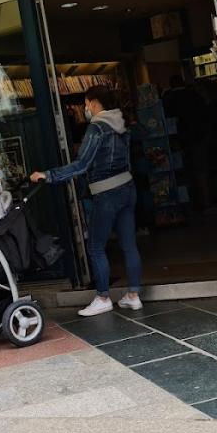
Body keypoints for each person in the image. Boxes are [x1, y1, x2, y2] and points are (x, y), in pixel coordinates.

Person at [31, 84, 143, 317]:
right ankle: (133, 296)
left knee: (95, 246)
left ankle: (102, 297)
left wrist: (48, 175)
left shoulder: (97, 128)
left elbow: (82, 165)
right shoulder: (122, 125)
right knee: (129, 245)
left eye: (86, 103)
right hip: (127, 188)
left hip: (106, 192)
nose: (85, 108)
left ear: (93, 102)